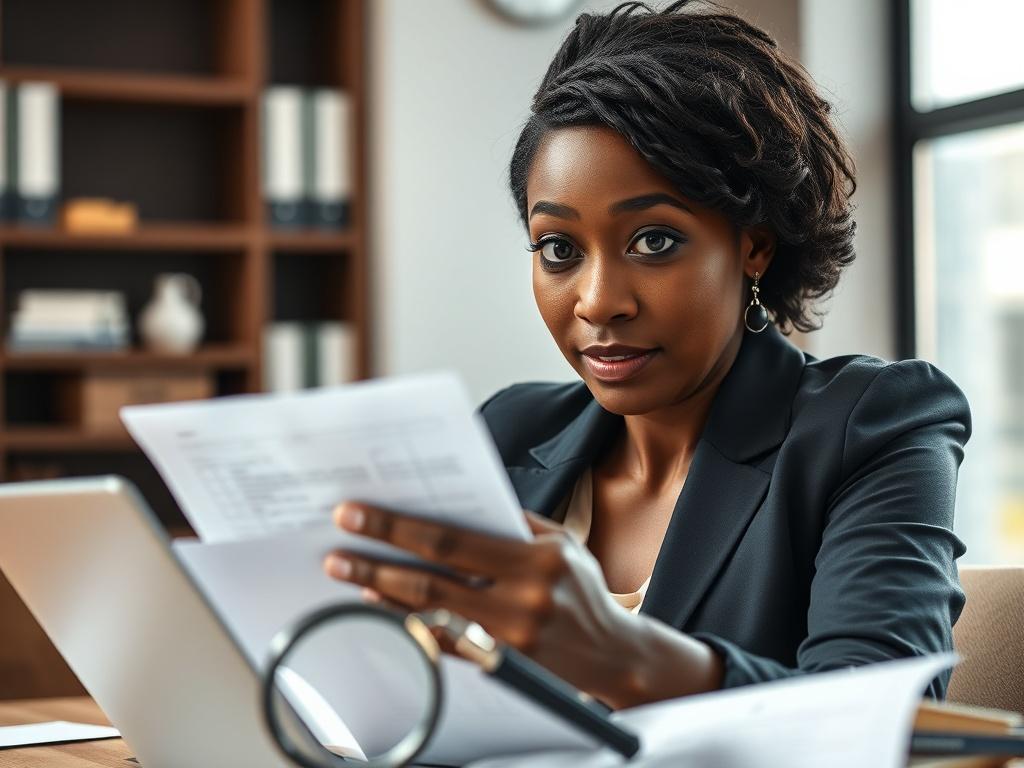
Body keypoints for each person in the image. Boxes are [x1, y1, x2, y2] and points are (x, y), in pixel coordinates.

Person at [323, 0, 969, 709]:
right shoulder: (507, 433)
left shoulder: (872, 427)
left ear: (752, 244)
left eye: (654, 240)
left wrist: (623, 656)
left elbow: (889, 720)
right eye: (559, 249)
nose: (598, 302)